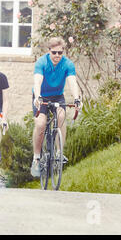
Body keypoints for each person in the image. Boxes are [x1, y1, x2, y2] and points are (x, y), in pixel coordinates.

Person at [30, 37, 82, 177]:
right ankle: (36, 158)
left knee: (61, 116)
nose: (57, 56)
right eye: (54, 52)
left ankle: (59, 153)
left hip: (58, 96)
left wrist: (77, 98)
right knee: (40, 124)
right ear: (49, 51)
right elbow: (37, 81)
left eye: (60, 52)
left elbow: (72, 82)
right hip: (41, 96)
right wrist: (38, 97)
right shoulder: (41, 62)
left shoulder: (68, 64)